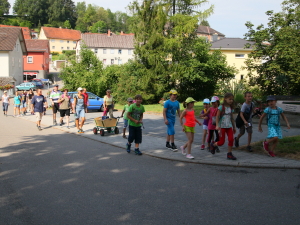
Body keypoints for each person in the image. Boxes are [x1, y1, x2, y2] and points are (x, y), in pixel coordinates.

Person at [211, 93, 237, 160]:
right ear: (225, 99)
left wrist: (234, 127)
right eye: (229, 99)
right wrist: (217, 125)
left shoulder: (231, 108)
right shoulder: (221, 107)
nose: (231, 100)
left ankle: (229, 154)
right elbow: (217, 117)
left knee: (231, 139)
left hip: (229, 126)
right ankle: (213, 145)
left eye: (232, 99)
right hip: (222, 127)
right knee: (221, 142)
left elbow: (232, 118)